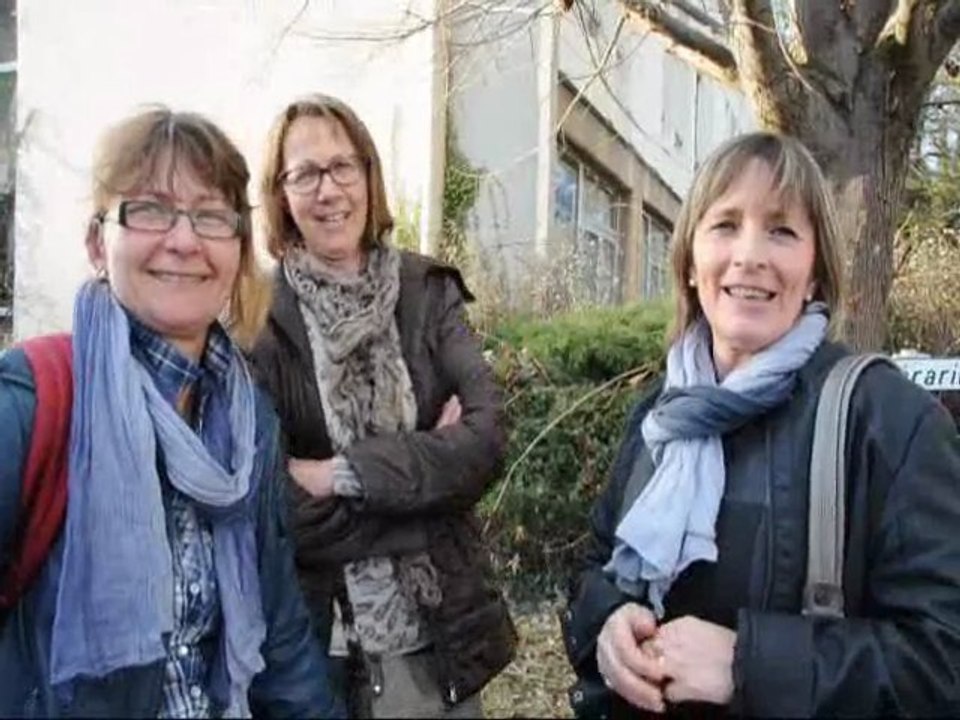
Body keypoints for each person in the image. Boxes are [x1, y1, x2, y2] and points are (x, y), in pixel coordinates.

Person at [561, 132, 960, 717]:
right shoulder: (658, 416)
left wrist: (748, 664)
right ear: (690, 263)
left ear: (816, 273)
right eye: (725, 225)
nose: (749, 255)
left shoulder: (887, 420)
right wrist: (605, 623)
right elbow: (592, 568)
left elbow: (942, 660)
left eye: (782, 231)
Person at [0, 107, 343, 719]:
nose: (184, 241)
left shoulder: (248, 423)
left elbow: (281, 637)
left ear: (238, 251)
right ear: (97, 242)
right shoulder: (32, 403)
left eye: (211, 216)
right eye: (151, 210)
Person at [249, 93, 517, 719]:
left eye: (343, 166)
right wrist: (430, 492)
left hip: (444, 638)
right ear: (281, 194)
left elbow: (485, 440)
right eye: (305, 174)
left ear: (369, 175)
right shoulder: (258, 320)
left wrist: (342, 474)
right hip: (322, 650)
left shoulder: (428, 292)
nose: (329, 190)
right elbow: (277, 505)